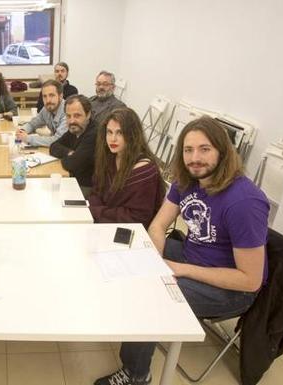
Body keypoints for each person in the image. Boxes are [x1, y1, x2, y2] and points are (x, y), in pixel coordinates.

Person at [95, 116, 269, 385]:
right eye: (188, 150)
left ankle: (136, 374)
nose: (195, 158)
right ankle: (124, 322)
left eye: (204, 149)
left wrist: (178, 269)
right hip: (192, 256)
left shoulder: (244, 202)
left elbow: (250, 280)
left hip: (230, 289)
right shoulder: (187, 179)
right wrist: (153, 259)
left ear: (223, 152)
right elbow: (158, 225)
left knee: (150, 296)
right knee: (127, 251)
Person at [88, 108, 165, 226]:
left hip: (130, 233)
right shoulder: (110, 157)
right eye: (109, 132)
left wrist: (96, 211)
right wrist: (96, 211)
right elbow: (96, 192)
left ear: (132, 134)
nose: (113, 139)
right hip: (102, 223)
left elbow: (137, 217)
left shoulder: (144, 170)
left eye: (120, 132)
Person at [49, 95, 97, 195]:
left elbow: (71, 164)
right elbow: (53, 146)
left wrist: (70, 158)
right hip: (73, 180)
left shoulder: (94, 134)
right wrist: (69, 152)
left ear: (88, 115)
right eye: (68, 116)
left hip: (89, 188)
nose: (71, 121)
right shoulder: (75, 129)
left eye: (77, 115)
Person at [16, 79, 68, 147]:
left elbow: (58, 140)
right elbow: (32, 124)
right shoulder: (46, 109)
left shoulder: (68, 112)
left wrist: (28, 138)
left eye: (51, 95)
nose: (48, 100)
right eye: (44, 96)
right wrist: (22, 131)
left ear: (60, 96)